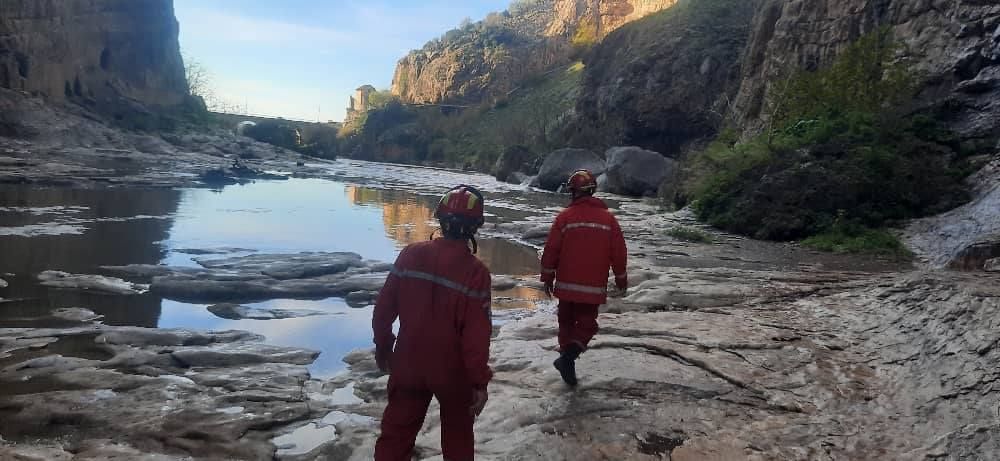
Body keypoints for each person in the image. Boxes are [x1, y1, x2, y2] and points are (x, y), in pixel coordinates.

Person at [373, 185, 494, 461]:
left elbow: (383, 310)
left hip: (408, 360)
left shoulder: (410, 254)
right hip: (452, 371)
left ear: (439, 218)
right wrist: (479, 382)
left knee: (395, 436)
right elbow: (476, 337)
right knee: (458, 438)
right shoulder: (477, 273)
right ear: (476, 226)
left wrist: (384, 347)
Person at [540, 169, 628, 386]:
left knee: (565, 323)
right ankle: (568, 359)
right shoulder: (609, 219)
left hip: (565, 286)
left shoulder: (564, 217)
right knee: (587, 325)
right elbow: (618, 252)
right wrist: (621, 278)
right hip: (592, 287)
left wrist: (547, 277)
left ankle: (567, 360)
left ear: (573, 192)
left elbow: (551, 250)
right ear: (592, 191)